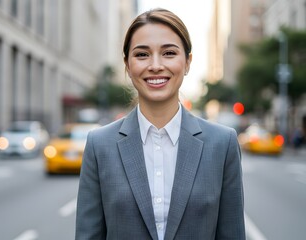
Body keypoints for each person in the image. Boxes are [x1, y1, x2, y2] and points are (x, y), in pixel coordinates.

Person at [75, 8, 245, 240]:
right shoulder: (99, 145)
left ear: (187, 62)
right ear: (127, 65)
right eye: (142, 55)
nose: (155, 65)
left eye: (169, 53)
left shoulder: (222, 143)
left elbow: (232, 234)